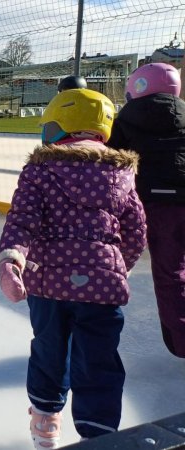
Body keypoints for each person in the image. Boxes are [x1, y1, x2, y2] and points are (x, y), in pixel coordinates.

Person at [0, 88, 146, 448]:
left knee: (49, 348)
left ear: (58, 127)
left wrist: (11, 258)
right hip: (102, 287)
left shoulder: (41, 168)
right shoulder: (120, 172)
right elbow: (137, 229)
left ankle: (46, 422)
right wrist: (116, 268)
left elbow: (22, 219)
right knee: (99, 357)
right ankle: (99, 431)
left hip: (48, 285)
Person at [107, 62, 185, 358]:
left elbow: (112, 162)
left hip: (151, 205)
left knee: (170, 274)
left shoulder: (126, 118)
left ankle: (181, 341)